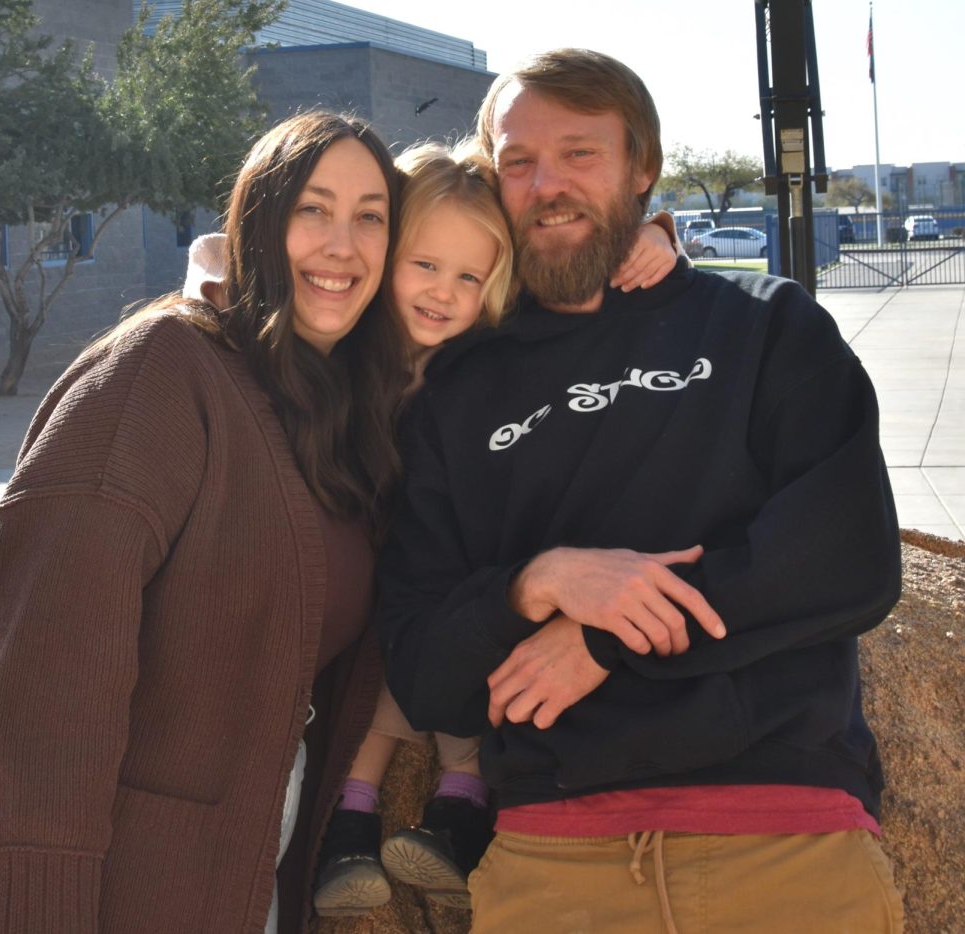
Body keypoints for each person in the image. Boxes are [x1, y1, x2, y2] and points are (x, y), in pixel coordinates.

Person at [378, 48, 904, 933]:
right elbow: (428, 675)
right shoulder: (455, 395)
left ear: (642, 169)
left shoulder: (766, 326)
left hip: (785, 834)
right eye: (517, 161)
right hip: (551, 859)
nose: (547, 183)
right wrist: (534, 584)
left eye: (580, 153)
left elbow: (849, 560)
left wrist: (610, 637)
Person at [0, 111, 409, 934]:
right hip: (117, 885)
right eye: (312, 209)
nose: (341, 244)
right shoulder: (158, 373)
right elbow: (39, 681)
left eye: (370, 216)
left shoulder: (338, 407)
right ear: (258, 220)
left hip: (253, 866)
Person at [181, 141, 683, 919]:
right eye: (424, 266)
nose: (445, 294)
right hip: (361, 567)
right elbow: (228, 252)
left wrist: (651, 237)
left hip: (446, 575)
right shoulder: (345, 342)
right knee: (385, 662)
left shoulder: (487, 353)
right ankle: (354, 820)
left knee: (450, 647)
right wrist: (210, 272)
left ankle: (454, 804)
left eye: (469, 278)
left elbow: (579, 271)